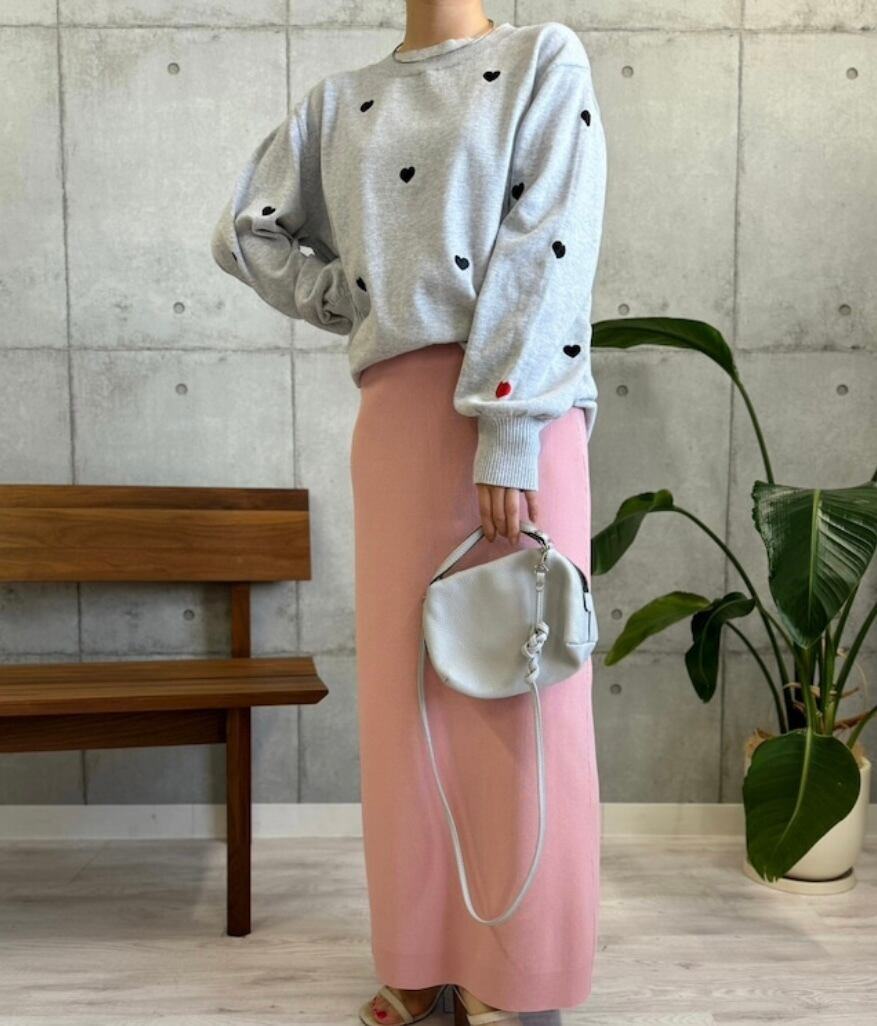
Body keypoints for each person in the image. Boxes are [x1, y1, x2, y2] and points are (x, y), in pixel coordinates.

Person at [210, 4, 607, 1023]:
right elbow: (245, 231)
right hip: (398, 422)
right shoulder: (337, 102)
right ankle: (421, 960)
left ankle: (518, 975)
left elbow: (551, 241)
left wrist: (508, 428)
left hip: (518, 412)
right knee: (407, 707)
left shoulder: (540, 57)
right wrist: (363, 298)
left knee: (521, 693)